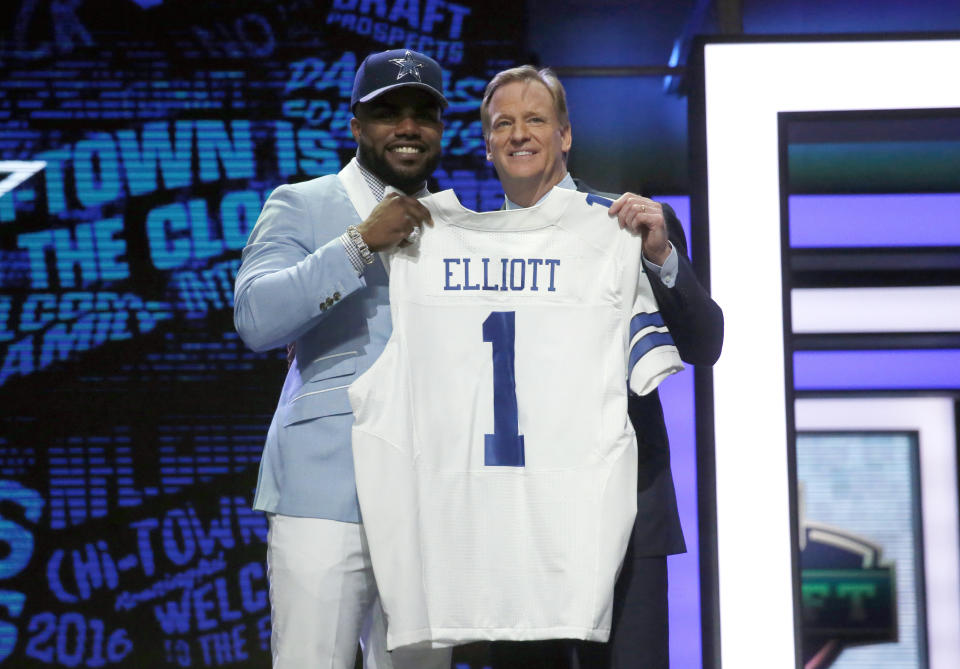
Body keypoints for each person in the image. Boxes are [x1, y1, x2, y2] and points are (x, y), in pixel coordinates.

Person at [481, 66, 724, 669]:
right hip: (518, 525)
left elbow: (705, 343)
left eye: (535, 119)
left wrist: (660, 256)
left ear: (565, 135)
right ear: (487, 144)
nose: (518, 134)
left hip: (626, 518)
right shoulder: (468, 249)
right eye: (502, 123)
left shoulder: (629, 227)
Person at [233, 49, 454, 669]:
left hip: (428, 498)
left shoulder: (460, 226)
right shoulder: (301, 203)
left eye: (423, 114)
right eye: (387, 112)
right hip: (326, 489)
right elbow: (255, 317)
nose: (407, 128)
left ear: (441, 129)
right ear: (356, 125)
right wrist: (360, 244)